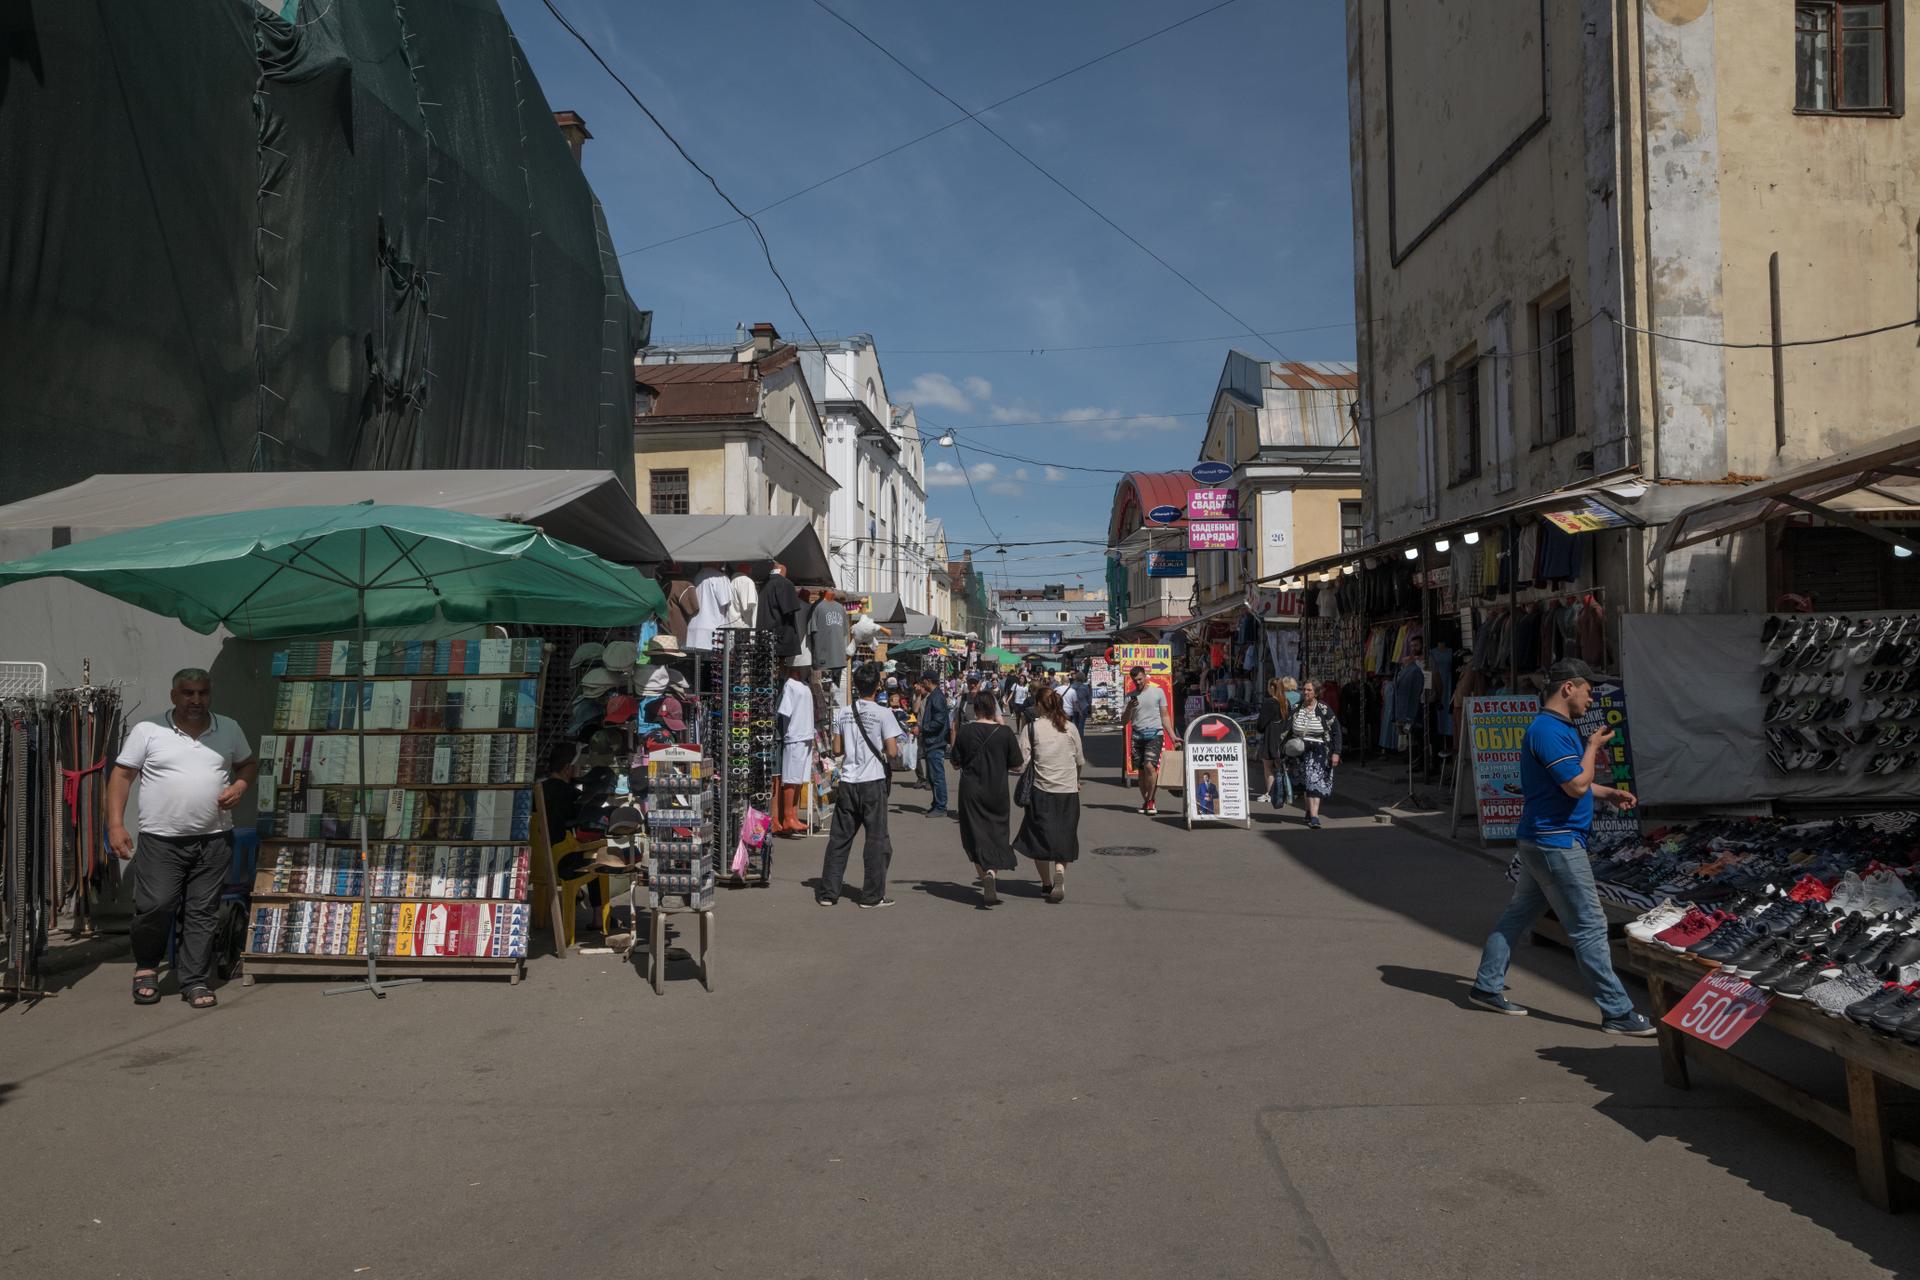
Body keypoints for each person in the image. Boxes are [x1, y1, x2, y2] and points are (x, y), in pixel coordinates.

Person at [1468, 660, 1654, 1035]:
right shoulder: (1549, 730)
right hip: (1556, 843)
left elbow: (1571, 782)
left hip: (1542, 839)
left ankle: (1486, 986)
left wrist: (1610, 793)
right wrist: (1592, 747)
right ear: (1568, 688)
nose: (1592, 696)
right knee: (1589, 926)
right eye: (1588, 689)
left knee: (1519, 914)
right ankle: (1617, 1012)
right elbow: (1575, 786)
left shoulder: (1553, 728)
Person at [106, 668, 258, 1009]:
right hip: (162, 840)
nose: (196, 700)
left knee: (203, 911)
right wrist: (115, 825)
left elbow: (248, 764)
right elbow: (122, 775)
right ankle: (146, 966)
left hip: (215, 838)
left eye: (202, 693)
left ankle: (194, 980)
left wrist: (240, 785)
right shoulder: (149, 730)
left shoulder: (228, 727)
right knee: (155, 906)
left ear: (210, 695)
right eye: (188, 693)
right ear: (174, 695)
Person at [818, 662, 903, 908]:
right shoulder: (883, 713)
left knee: (839, 839)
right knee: (876, 839)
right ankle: (871, 895)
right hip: (873, 782)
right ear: (877, 686)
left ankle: (828, 893)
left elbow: (836, 749)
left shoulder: (844, 712)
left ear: (855, 686)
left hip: (848, 781)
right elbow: (892, 751)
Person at [951, 690, 1025, 907]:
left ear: (975, 708)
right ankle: (992, 871)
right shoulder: (1005, 733)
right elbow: (1017, 765)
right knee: (997, 831)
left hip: (971, 790)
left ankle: (986, 876)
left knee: (974, 833)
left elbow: (955, 762)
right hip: (997, 789)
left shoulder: (965, 731)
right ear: (994, 708)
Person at [1013, 686, 1085, 903]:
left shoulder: (1031, 729)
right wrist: (1076, 779)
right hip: (1068, 790)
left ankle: (1046, 884)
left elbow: (1021, 762)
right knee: (1065, 835)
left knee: (1038, 838)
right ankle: (1060, 871)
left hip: (1041, 790)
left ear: (1038, 705)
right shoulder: (1070, 728)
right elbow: (1079, 760)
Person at [1287, 679, 1342, 829]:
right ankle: (1309, 811)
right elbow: (1287, 730)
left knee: (1314, 783)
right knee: (1305, 783)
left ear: (1316, 693)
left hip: (1318, 749)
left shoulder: (1324, 709)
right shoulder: (1296, 708)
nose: (1305, 692)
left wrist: (1336, 752)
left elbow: (1336, 730)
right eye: (1304, 689)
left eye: (1309, 690)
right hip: (1299, 749)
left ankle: (1315, 816)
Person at [774, 661, 817, 836]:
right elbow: (785, 711)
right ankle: (788, 816)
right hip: (795, 736)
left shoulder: (805, 685)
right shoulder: (790, 685)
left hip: (806, 734)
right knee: (791, 778)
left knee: (799, 778)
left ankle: (793, 814)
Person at [1124, 666, 1168, 816]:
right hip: (1137, 735)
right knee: (1141, 771)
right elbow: (1124, 721)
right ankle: (1146, 800)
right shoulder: (1130, 696)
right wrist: (1129, 707)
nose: (1138, 682)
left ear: (1145, 677)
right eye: (1135, 680)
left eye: (1140, 679)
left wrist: (1173, 735)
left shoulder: (1158, 692)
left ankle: (1151, 799)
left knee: (1149, 766)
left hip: (1154, 733)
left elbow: (1165, 716)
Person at [915, 674, 951, 818]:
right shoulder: (934, 696)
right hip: (932, 741)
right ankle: (936, 804)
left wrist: (923, 728)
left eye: (924, 682)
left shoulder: (936, 697)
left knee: (937, 776)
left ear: (929, 681)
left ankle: (941, 806)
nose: (923, 685)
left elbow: (939, 721)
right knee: (933, 776)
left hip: (936, 741)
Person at [1255, 678, 1293, 808]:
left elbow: (1260, 724)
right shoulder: (1286, 702)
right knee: (1280, 766)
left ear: (1272, 688)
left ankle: (1271, 793)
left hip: (1271, 736)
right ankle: (1283, 792)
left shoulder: (1269, 702)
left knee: (1268, 767)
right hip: (1283, 738)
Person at [756, 560, 804, 658]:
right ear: (782, 571)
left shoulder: (763, 585)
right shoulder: (785, 584)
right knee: (779, 666)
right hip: (780, 635)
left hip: (763, 634)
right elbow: (791, 608)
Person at [686, 564, 731, 650]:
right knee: (711, 662)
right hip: (712, 629)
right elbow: (725, 601)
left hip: (694, 628)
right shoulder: (720, 577)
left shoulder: (697, 576)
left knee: (695, 661)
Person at [1069, 669, 1093, 736]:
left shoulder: (1071, 687)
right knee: (1081, 724)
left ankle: (1076, 737)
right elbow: (1089, 699)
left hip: (1074, 707)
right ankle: (1081, 738)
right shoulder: (1085, 687)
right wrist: (1089, 706)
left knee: (1075, 723)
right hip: (1083, 707)